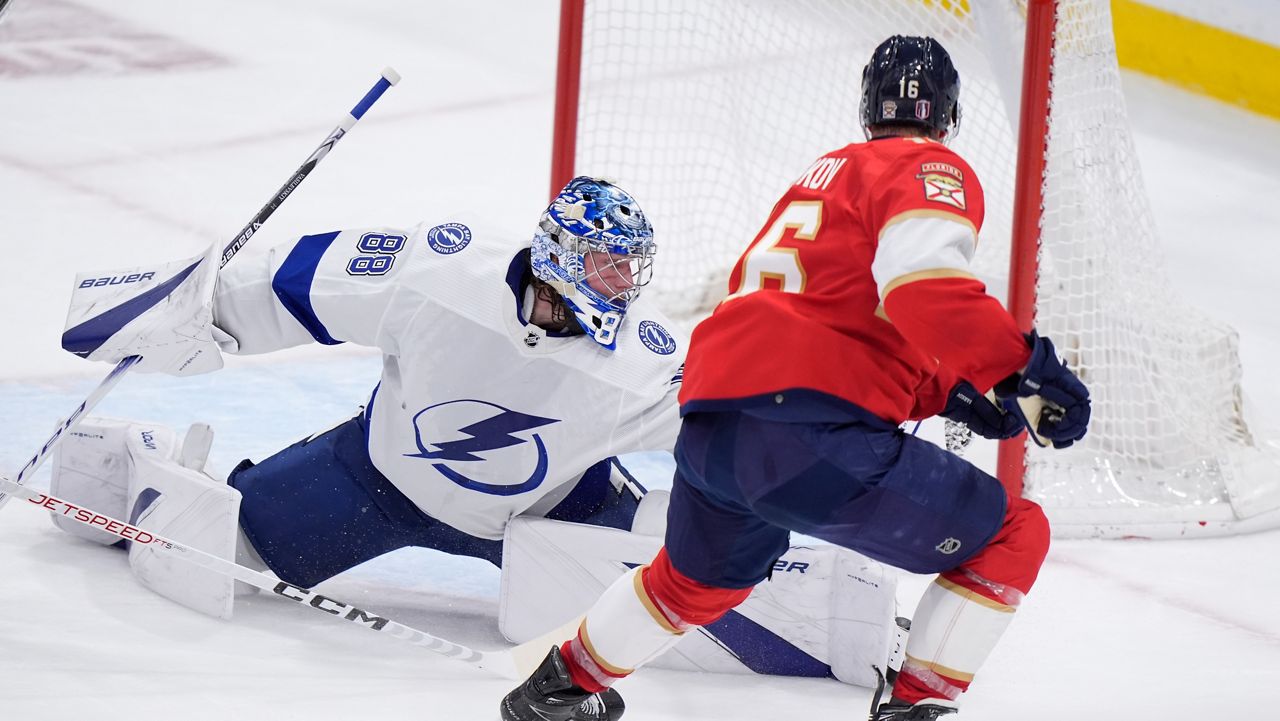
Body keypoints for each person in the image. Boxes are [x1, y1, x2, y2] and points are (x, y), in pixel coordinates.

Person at [499, 35, 1091, 721]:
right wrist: (1020, 369)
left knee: (693, 581)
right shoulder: (932, 168)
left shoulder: (825, 173)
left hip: (712, 426)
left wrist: (945, 388)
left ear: (867, 110)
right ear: (949, 117)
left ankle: (557, 689)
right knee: (1015, 532)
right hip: (807, 435)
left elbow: (829, 319)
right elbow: (921, 290)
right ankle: (914, 710)